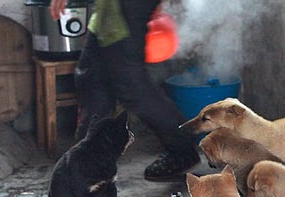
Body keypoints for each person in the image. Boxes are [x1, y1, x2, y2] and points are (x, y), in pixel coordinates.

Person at [49, 0, 200, 181]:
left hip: (124, 9)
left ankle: (182, 146)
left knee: (131, 87)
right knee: (93, 76)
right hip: (111, 11)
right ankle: (90, 163)